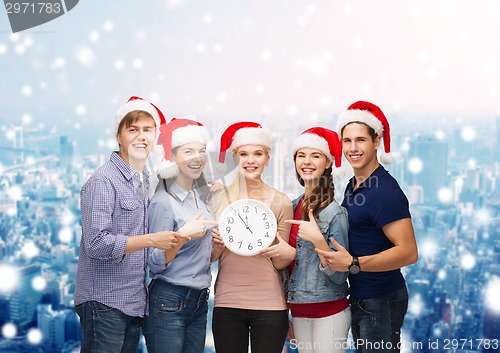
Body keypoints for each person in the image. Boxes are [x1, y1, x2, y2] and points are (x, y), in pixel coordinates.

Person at [74, 96, 186, 353]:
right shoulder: (103, 181)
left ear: (156, 136)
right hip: (103, 301)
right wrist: (151, 240)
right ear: (119, 137)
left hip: (133, 302)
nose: (141, 136)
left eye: (147, 130)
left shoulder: (145, 179)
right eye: (133, 130)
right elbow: (96, 244)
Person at [316, 101, 418, 353]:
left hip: (380, 299)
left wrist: (354, 263)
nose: (353, 148)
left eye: (360, 140)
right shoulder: (355, 184)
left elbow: (408, 252)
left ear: (376, 142)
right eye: (347, 141)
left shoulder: (384, 191)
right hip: (363, 297)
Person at [210, 122, 295, 353]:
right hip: (227, 301)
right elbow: (207, 258)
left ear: (267, 158)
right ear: (235, 158)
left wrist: (284, 253)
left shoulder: (281, 201)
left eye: (257, 154)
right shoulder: (217, 198)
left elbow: (279, 263)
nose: (250, 160)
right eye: (243, 154)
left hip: (269, 303)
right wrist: (216, 249)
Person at [142, 118, 221, 353]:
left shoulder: (202, 199)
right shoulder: (163, 202)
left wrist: (217, 248)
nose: (197, 157)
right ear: (173, 157)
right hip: (168, 300)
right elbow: (154, 262)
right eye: (188, 151)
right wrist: (181, 236)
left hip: (198, 301)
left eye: (201, 151)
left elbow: (199, 258)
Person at [284, 127, 351, 353]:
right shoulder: (290, 208)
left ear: (328, 163)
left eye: (315, 155)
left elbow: (341, 275)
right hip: (299, 311)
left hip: (330, 311)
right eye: (301, 155)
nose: (307, 162)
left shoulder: (334, 213)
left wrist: (319, 242)